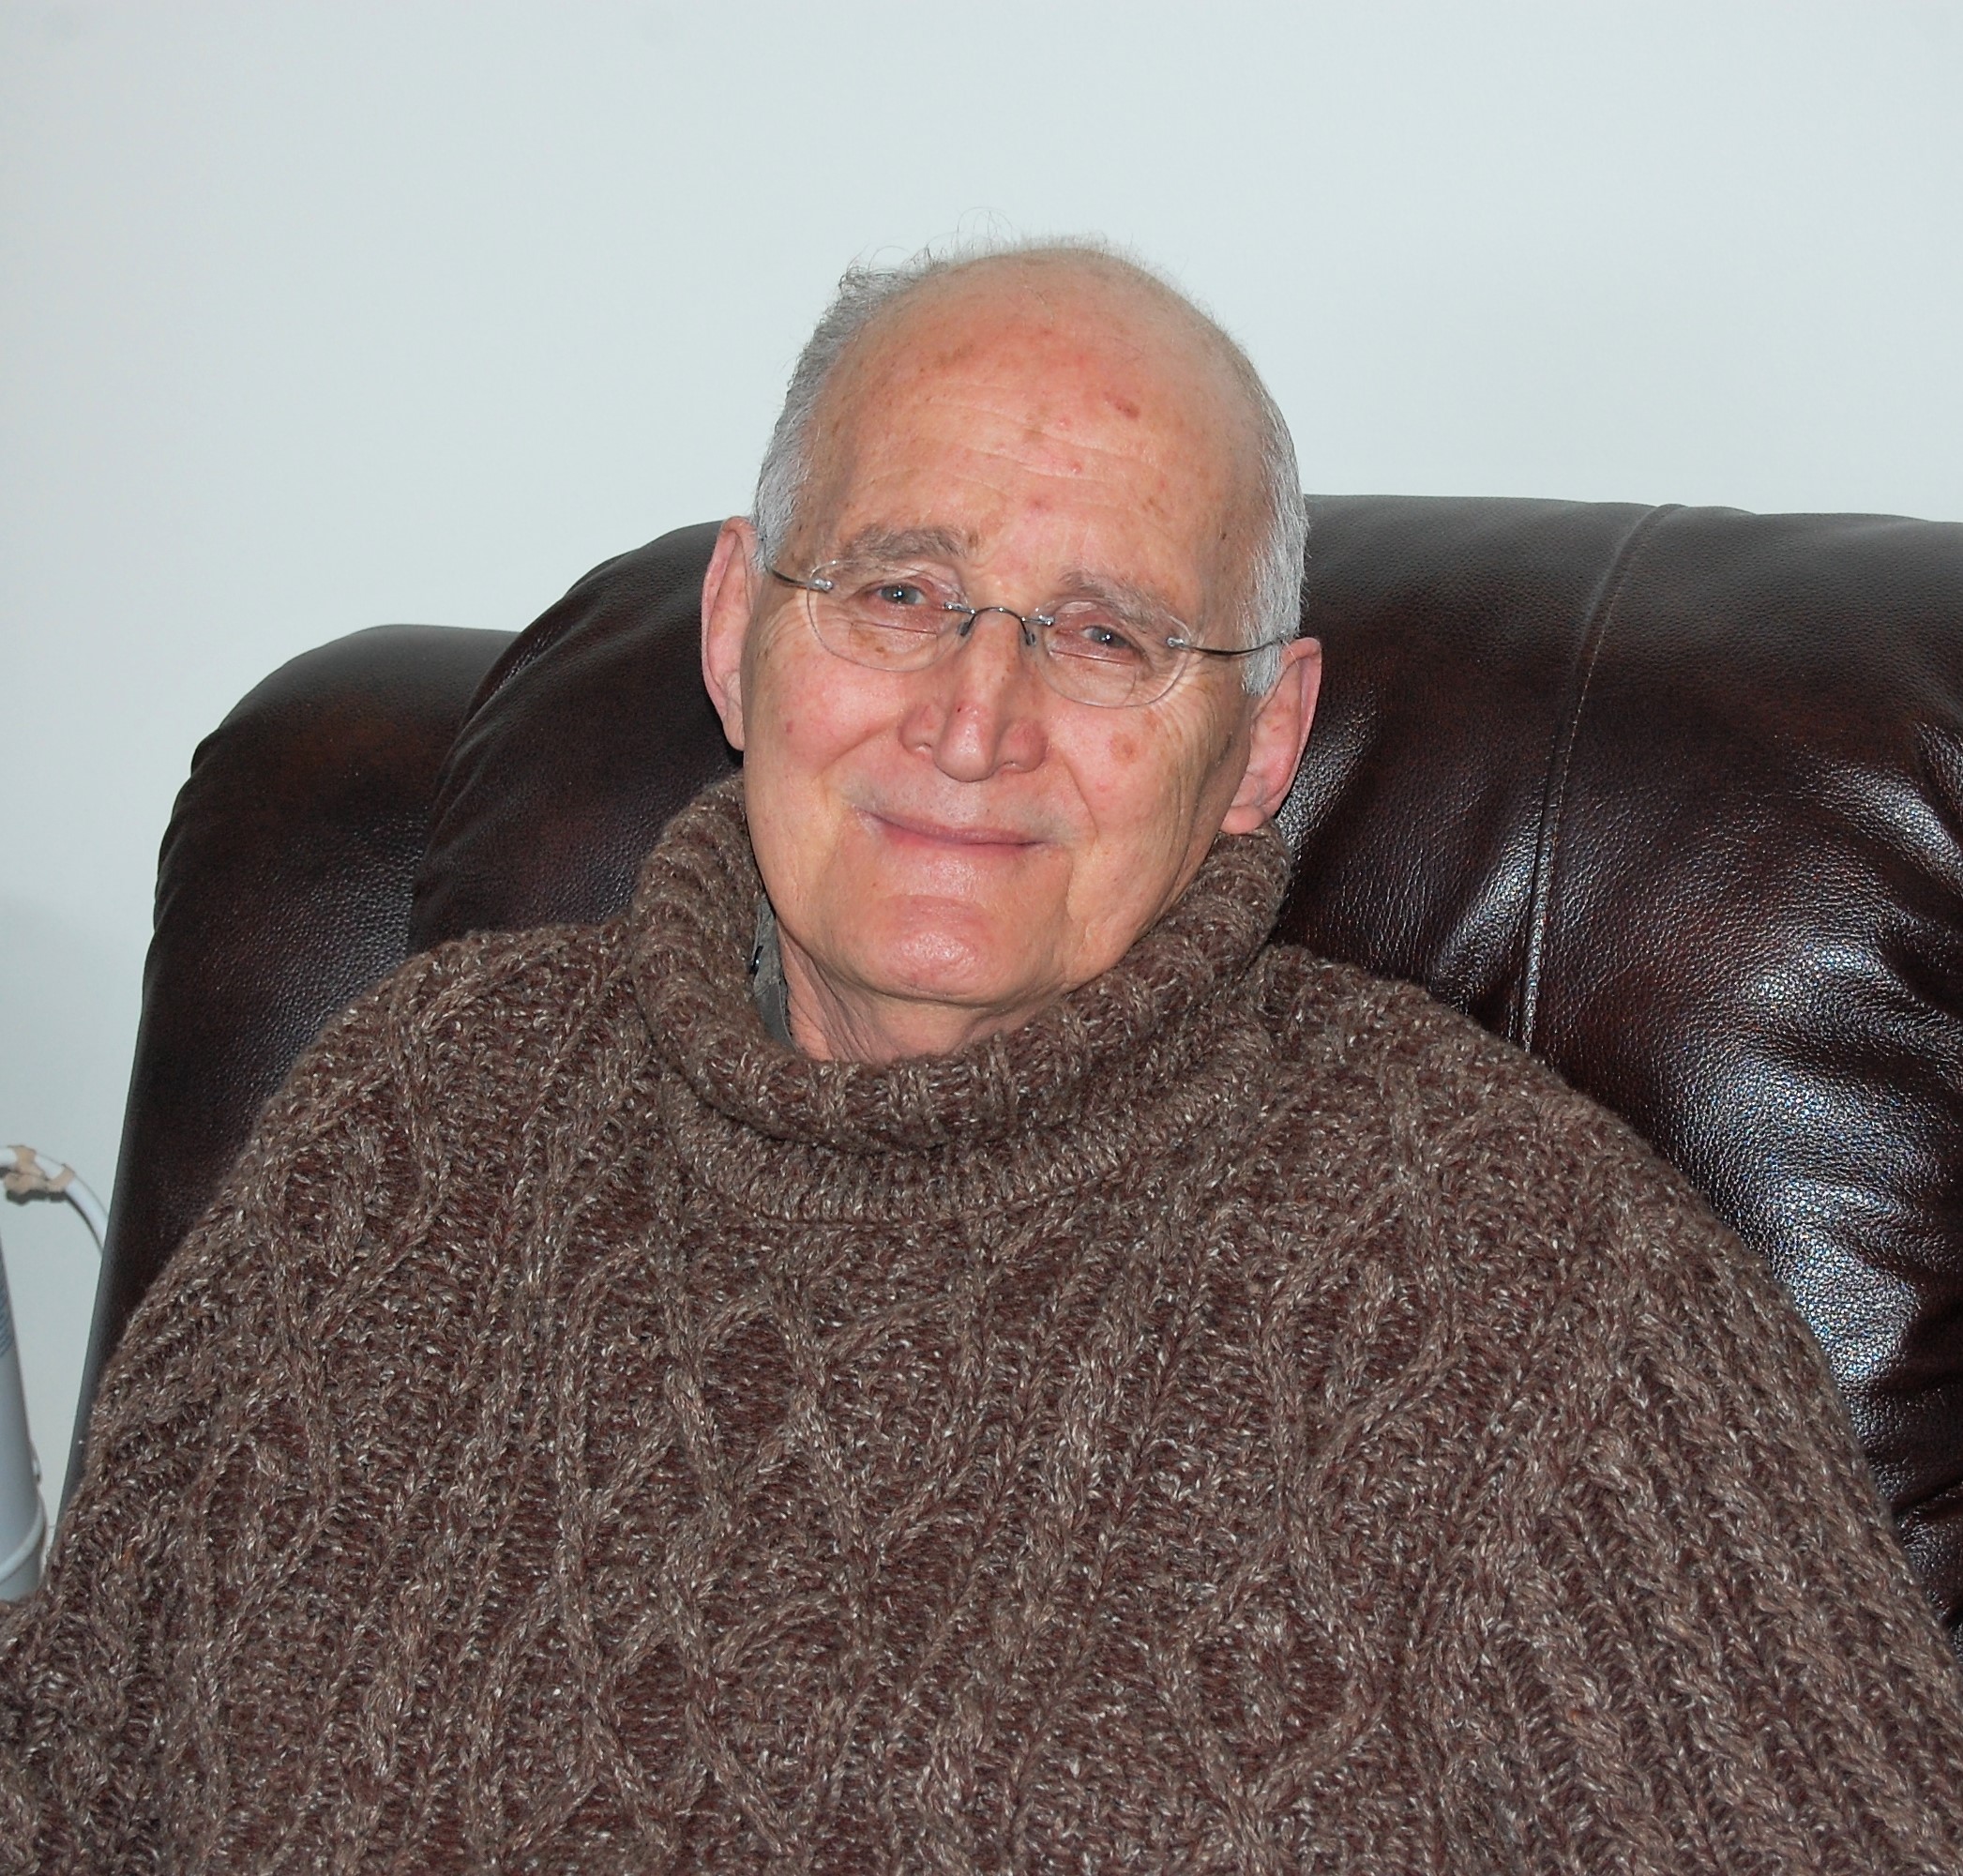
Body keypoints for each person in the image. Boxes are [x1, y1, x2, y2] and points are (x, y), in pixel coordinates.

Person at [5, 239, 1963, 1870]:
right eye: (899, 590)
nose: (973, 721)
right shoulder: (407, 1117)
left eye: (1106, 636)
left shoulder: (1530, 1295)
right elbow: (70, 1764)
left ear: (1262, 745)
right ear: (734, 631)